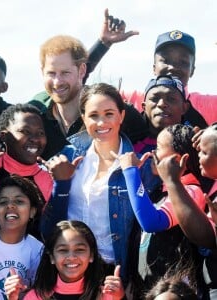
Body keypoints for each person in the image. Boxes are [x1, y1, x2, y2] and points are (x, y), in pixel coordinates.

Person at [40, 83, 153, 285]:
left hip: (115, 270)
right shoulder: (66, 157)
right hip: (70, 267)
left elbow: (146, 225)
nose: (101, 122)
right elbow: (49, 227)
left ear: (121, 116)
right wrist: (61, 184)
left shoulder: (139, 164)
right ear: (83, 118)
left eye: (109, 113)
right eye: (93, 115)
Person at [29, 14, 147, 160]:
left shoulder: (116, 111)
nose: (57, 82)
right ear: (42, 72)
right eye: (51, 73)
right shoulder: (35, 111)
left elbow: (150, 139)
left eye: (65, 73)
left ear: (82, 71)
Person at [115, 124, 207, 296]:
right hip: (149, 287)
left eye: (158, 148)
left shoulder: (191, 192)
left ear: (179, 159)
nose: (152, 153)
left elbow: (151, 222)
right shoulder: (162, 191)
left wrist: (130, 172)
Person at [94, 17, 215, 126]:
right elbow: (80, 90)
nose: (173, 67)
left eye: (183, 62)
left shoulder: (208, 105)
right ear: (154, 67)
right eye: (165, 60)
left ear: (192, 70)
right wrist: (103, 44)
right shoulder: (130, 99)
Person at [154, 123, 217, 298]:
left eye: (204, 152)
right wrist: (209, 136)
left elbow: (206, 238)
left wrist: (172, 181)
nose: (198, 156)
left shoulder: (192, 189)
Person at [5, 220, 125, 300]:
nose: (71, 257)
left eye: (79, 249)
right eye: (63, 250)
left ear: (91, 255)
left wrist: (120, 298)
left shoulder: (107, 295)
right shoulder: (36, 297)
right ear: (51, 257)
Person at [0, 103, 53, 211]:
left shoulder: (49, 178)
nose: (35, 139)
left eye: (40, 133)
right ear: (4, 136)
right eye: (25, 131)